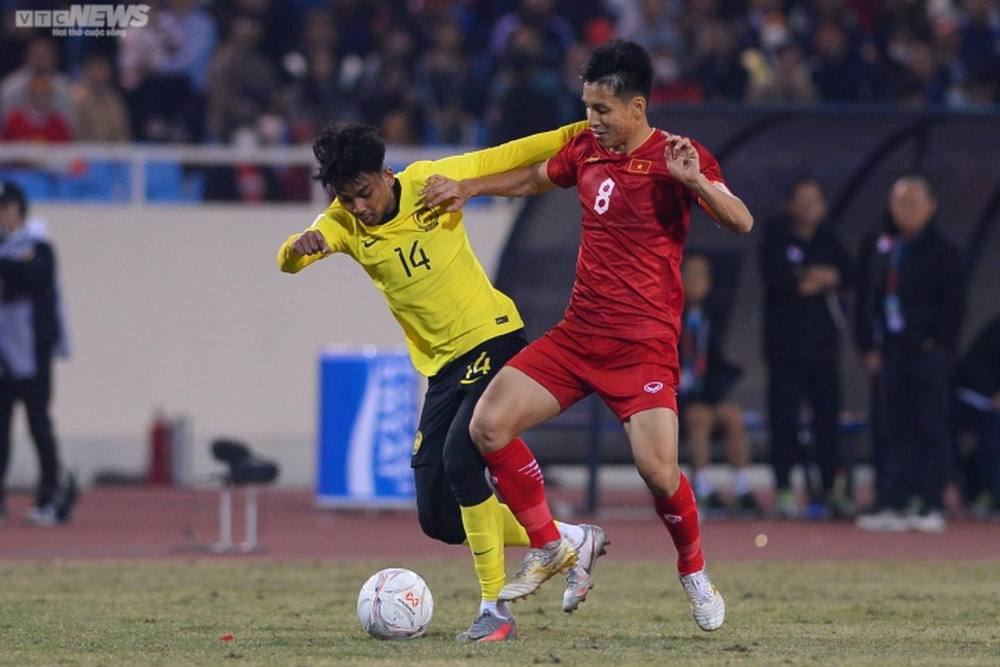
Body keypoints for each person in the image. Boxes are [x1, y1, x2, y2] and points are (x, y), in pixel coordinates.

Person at [421, 38, 754, 632]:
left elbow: (740, 221)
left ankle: (694, 571)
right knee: (487, 426)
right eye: (587, 107)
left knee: (658, 473)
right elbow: (531, 180)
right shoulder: (585, 149)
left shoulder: (680, 156)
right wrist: (470, 188)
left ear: (637, 107)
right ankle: (552, 545)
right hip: (578, 336)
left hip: (642, 345)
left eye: (601, 109)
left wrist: (697, 183)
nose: (590, 120)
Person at [276, 122, 608, 642]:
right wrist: (301, 247)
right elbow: (287, 262)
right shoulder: (343, 223)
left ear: (387, 174)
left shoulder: (432, 180)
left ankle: (496, 611)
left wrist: (583, 130)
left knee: (461, 456)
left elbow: (510, 151)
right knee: (438, 517)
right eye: (347, 197)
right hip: (443, 368)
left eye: (365, 192)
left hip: (493, 338)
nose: (360, 206)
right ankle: (567, 539)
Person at [854, 173, 966, 533]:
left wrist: (938, 342)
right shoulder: (881, 242)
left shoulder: (945, 248)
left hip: (927, 351)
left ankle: (931, 501)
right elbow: (866, 294)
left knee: (931, 425)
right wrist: (868, 344)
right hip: (890, 349)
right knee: (889, 426)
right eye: (899, 202)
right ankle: (892, 500)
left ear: (931, 206)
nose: (905, 210)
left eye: (913, 202)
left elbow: (954, 303)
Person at [758, 176, 854, 519]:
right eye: (800, 199)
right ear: (788, 203)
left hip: (824, 348)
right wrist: (815, 278)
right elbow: (779, 278)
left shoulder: (830, 236)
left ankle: (832, 488)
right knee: (784, 420)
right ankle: (784, 488)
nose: (807, 206)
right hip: (784, 348)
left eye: (813, 200)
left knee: (827, 419)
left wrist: (821, 278)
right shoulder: (776, 235)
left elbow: (850, 273)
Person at [0, 181, 77, 526]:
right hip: (3, 355)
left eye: (7, 206)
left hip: (33, 354)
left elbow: (34, 278)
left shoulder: (39, 246)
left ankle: (51, 495)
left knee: (39, 426)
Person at [677, 251, 758, 517]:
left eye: (701, 276)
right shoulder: (670, 313)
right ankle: (702, 490)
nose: (695, 281)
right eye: (689, 274)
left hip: (707, 392)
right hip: (675, 396)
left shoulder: (716, 316)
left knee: (733, 417)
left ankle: (741, 490)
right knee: (699, 417)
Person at [953, 314, 1000, 516]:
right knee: (994, 429)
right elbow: (973, 368)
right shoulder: (995, 331)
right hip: (971, 397)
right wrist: (993, 393)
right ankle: (992, 494)